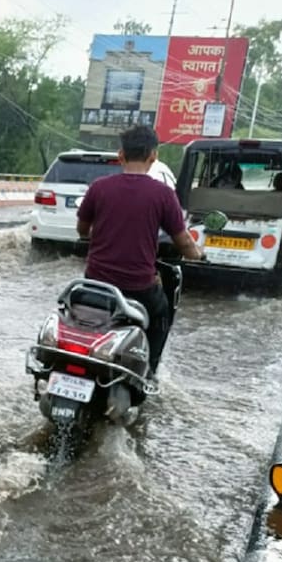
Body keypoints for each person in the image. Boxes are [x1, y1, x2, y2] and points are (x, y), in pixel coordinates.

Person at [76, 125, 205, 377]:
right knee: (162, 312)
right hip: (138, 288)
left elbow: (82, 230)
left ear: (121, 154)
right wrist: (199, 255)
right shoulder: (164, 194)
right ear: (153, 155)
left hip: (95, 283)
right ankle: (149, 372)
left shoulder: (99, 188)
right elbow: (184, 243)